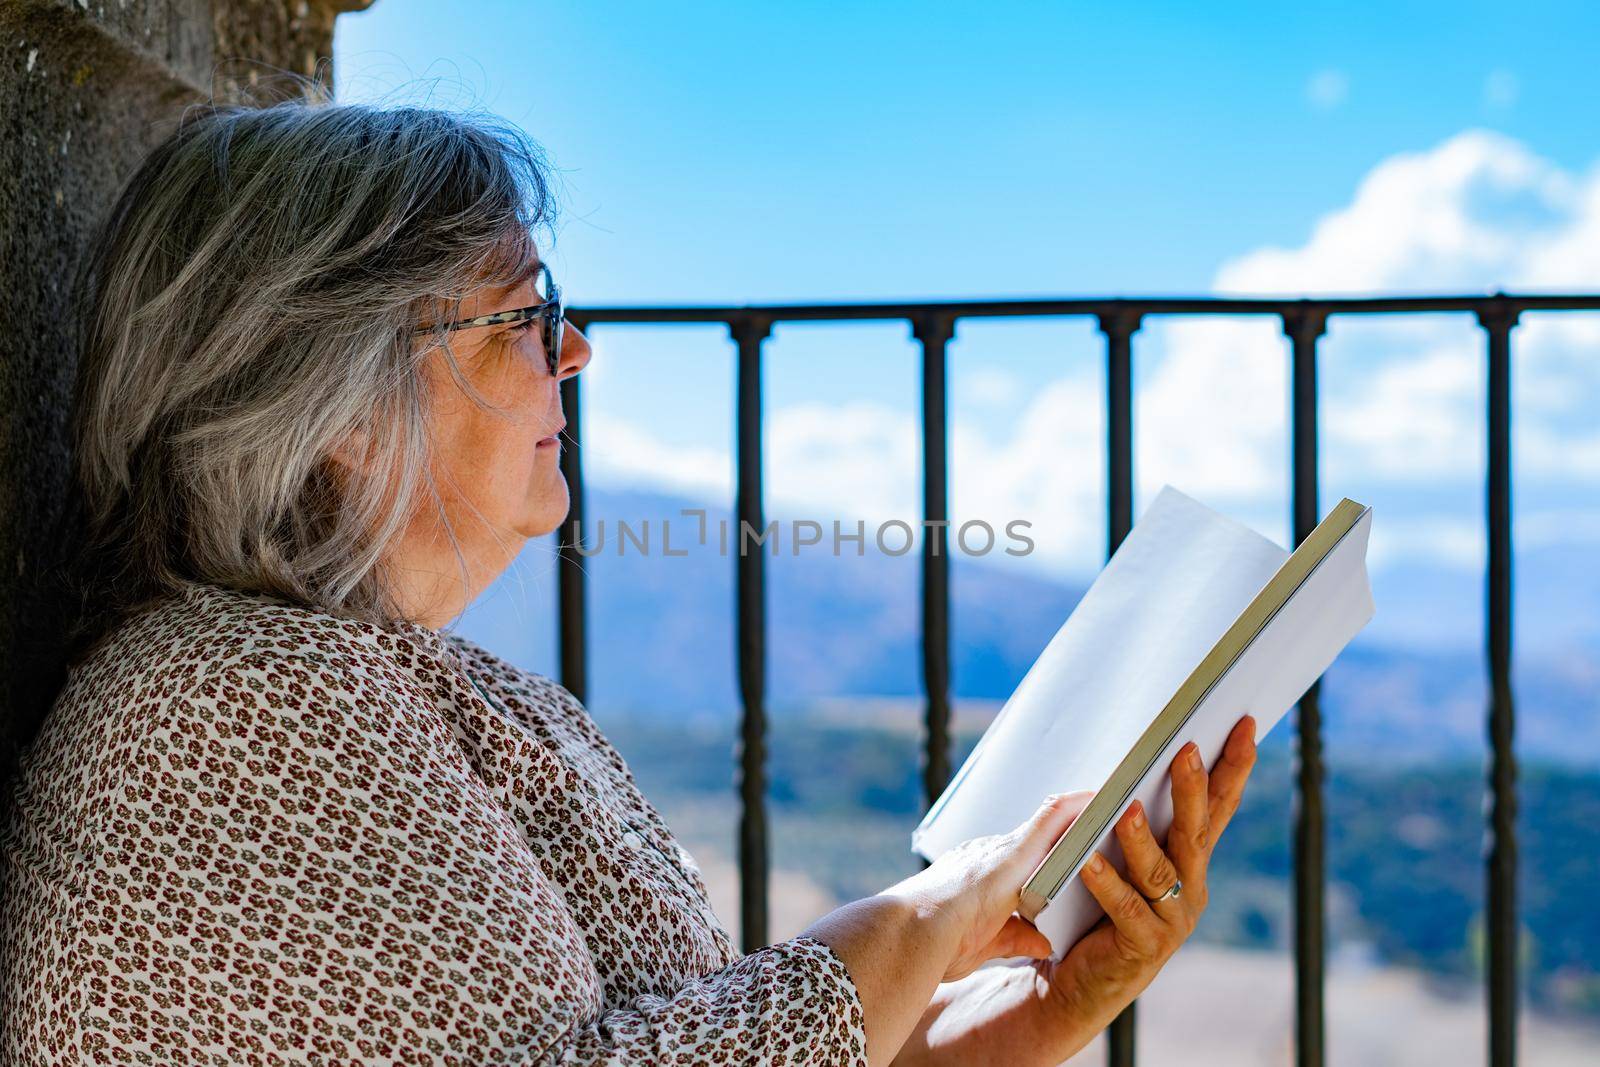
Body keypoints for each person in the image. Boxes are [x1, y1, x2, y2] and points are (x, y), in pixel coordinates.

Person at [0, 100, 1258, 1067]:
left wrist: (1043, 1002)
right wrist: (939, 903)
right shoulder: (230, 713)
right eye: (521, 316)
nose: (579, 351)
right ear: (335, 392)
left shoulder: (364, 686)